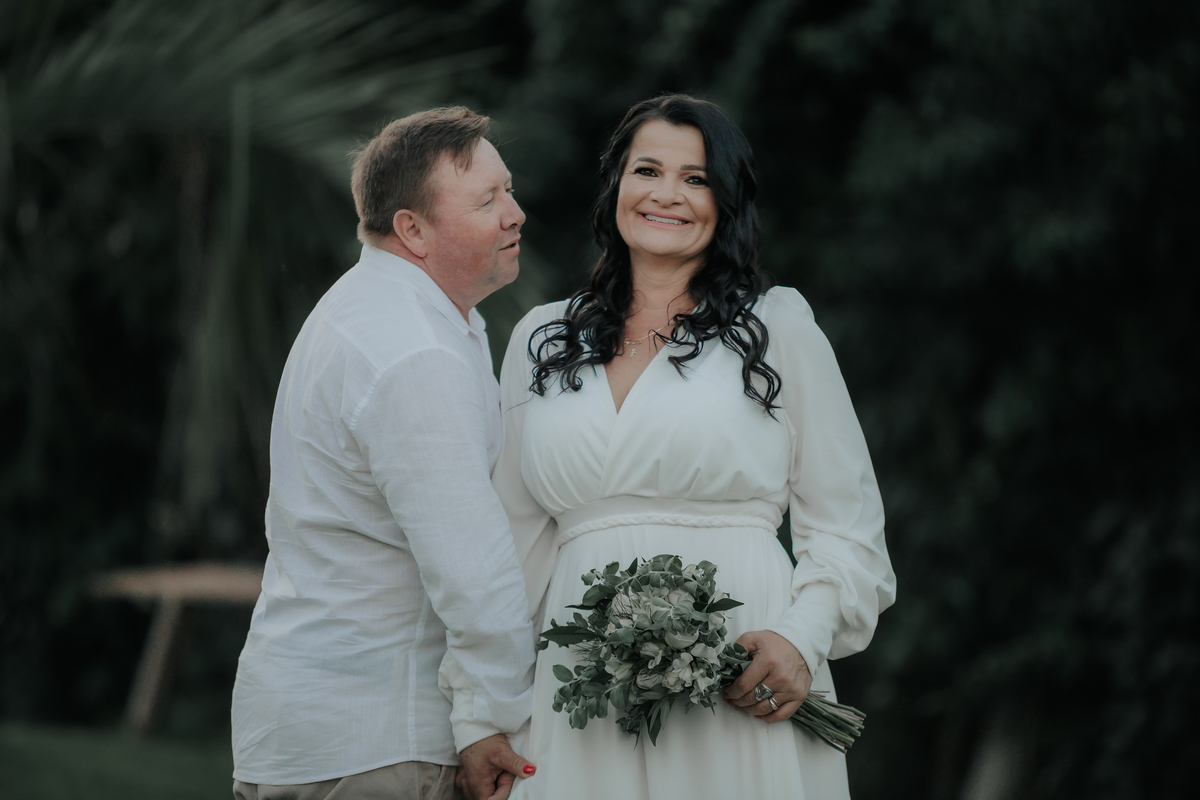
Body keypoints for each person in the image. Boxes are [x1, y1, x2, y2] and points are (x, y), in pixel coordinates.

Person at [461, 94, 898, 798]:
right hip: (580, 693)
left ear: (726, 201)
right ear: (616, 186)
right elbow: (508, 553)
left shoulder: (777, 331)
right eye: (647, 171)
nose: (667, 194)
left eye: (695, 179)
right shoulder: (542, 339)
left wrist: (800, 640)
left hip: (742, 675)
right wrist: (481, 713)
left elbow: (849, 532)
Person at [230, 107, 539, 800]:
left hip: (314, 728)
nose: (514, 213)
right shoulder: (414, 349)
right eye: (487, 200)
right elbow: (471, 566)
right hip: (375, 742)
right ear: (412, 230)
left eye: (509, 189)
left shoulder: (372, 311)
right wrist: (493, 717)